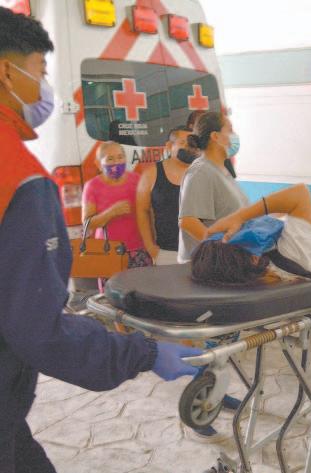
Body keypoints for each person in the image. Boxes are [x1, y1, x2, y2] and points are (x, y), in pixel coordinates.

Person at [0, 8, 203, 472]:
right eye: (40, 71)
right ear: (7, 73)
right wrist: (145, 352)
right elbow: (38, 330)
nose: (44, 86)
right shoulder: (20, 179)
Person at [178, 111, 248, 264]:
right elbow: (188, 221)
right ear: (215, 136)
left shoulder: (222, 171)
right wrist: (222, 251)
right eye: (230, 130)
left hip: (229, 261)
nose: (234, 135)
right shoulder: (200, 171)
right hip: (209, 264)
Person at [82, 141, 151, 269]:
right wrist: (111, 212)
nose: (116, 162)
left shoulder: (136, 180)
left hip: (138, 249)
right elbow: (87, 223)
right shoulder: (92, 186)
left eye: (120, 157)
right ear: (99, 164)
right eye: (110, 159)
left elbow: (148, 212)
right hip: (108, 252)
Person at [136, 126, 196, 265]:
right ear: (169, 146)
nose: (188, 147)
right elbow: (142, 211)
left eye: (191, 144)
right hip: (166, 252)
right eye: (182, 142)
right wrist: (150, 247)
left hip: (200, 250)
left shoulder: (203, 173)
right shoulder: (151, 174)